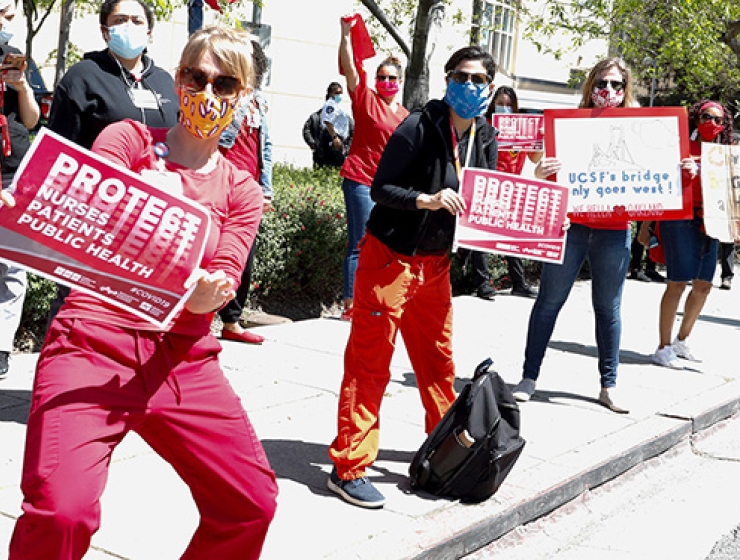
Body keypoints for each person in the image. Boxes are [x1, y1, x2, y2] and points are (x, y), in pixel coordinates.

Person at [7, 26, 277, 559]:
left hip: (182, 359)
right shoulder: (130, 140)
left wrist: (210, 293)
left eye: (225, 84)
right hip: (91, 341)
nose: (207, 93)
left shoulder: (242, 190)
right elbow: (86, 202)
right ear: (177, 81)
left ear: (244, 96)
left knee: (251, 503)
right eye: (196, 77)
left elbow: (227, 264)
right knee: (63, 512)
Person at [327, 45, 498, 508]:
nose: (470, 86)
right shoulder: (418, 125)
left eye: (480, 79)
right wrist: (426, 199)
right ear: (447, 80)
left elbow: (490, 199)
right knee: (370, 363)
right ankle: (349, 466)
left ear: (490, 87)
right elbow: (381, 188)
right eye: (461, 76)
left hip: (436, 263)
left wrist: (539, 212)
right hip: (391, 256)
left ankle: (444, 450)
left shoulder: (484, 136)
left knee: (438, 363)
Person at [510, 58, 637, 414]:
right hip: (573, 227)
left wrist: (678, 171)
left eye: (615, 85)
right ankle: (529, 377)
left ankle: (608, 384)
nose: (608, 91)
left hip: (614, 230)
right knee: (549, 301)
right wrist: (540, 170)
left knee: (608, 308)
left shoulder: (638, 129)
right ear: (590, 87)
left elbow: (648, 176)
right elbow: (554, 178)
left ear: (625, 90)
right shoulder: (566, 125)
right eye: (601, 84)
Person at [45, 0, 179, 326]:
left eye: (137, 20)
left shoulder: (166, 83)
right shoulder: (82, 77)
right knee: (80, 310)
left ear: (149, 30)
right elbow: (59, 151)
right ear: (106, 30)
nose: (129, 26)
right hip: (96, 220)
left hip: (154, 223)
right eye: (120, 19)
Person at [337, 15, 409, 320]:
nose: (387, 82)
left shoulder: (406, 115)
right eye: (382, 76)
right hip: (360, 180)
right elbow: (351, 70)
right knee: (361, 243)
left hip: (388, 188)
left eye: (392, 78)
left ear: (400, 82)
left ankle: (374, 299)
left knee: (383, 246)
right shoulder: (365, 98)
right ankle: (351, 304)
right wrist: (344, 35)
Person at [647, 100, 730, 369]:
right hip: (680, 219)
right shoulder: (680, 146)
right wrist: (647, 226)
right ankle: (663, 347)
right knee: (677, 283)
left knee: (703, 285)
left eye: (719, 120)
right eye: (707, 116)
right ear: (696, 117)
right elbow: (657, 181)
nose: (713, 124)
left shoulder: (725, 153)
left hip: (712, 221)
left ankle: (681, 340)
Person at [216, 38, 272, 345]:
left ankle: (231, 321)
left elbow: (266, 146)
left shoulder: (260, 99)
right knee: (208, 249)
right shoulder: (222, 91)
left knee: (242, 257)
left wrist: (266, 190)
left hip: (248, 188)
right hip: (221, 181)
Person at [0, 0, 39, 378]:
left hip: (14, 170)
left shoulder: (16, 57)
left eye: (9, 16)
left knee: (12, 264)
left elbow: (30, 120)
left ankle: (2, 345)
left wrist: (23, 86)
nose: (5, 23)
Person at [302, 82, 354, 168]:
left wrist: (346, 148)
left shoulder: (345, 118)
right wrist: (314, 144)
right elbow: (306, 130)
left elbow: (353, 133)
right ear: (330, 94)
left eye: (340, 93)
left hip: (338, 158)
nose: (339, 96)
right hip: (321, 157)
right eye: (336, 93)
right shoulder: (316, 117)